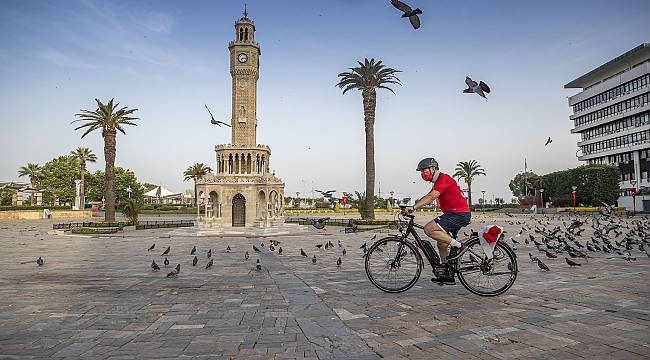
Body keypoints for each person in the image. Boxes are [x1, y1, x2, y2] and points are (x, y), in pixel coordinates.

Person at [404, 157, 471, 284]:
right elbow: (427, 197)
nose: (423, 174)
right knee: (442, 242)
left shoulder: (443, 179)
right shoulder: (438, 182)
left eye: (424, 170)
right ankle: (447, 274)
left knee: (428, 229)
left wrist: (413, 207)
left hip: (458, 214)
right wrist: (414, 207)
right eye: (421, 172)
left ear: (433, 169)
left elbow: (431, 197)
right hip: (454, 214)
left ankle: (460, 246)